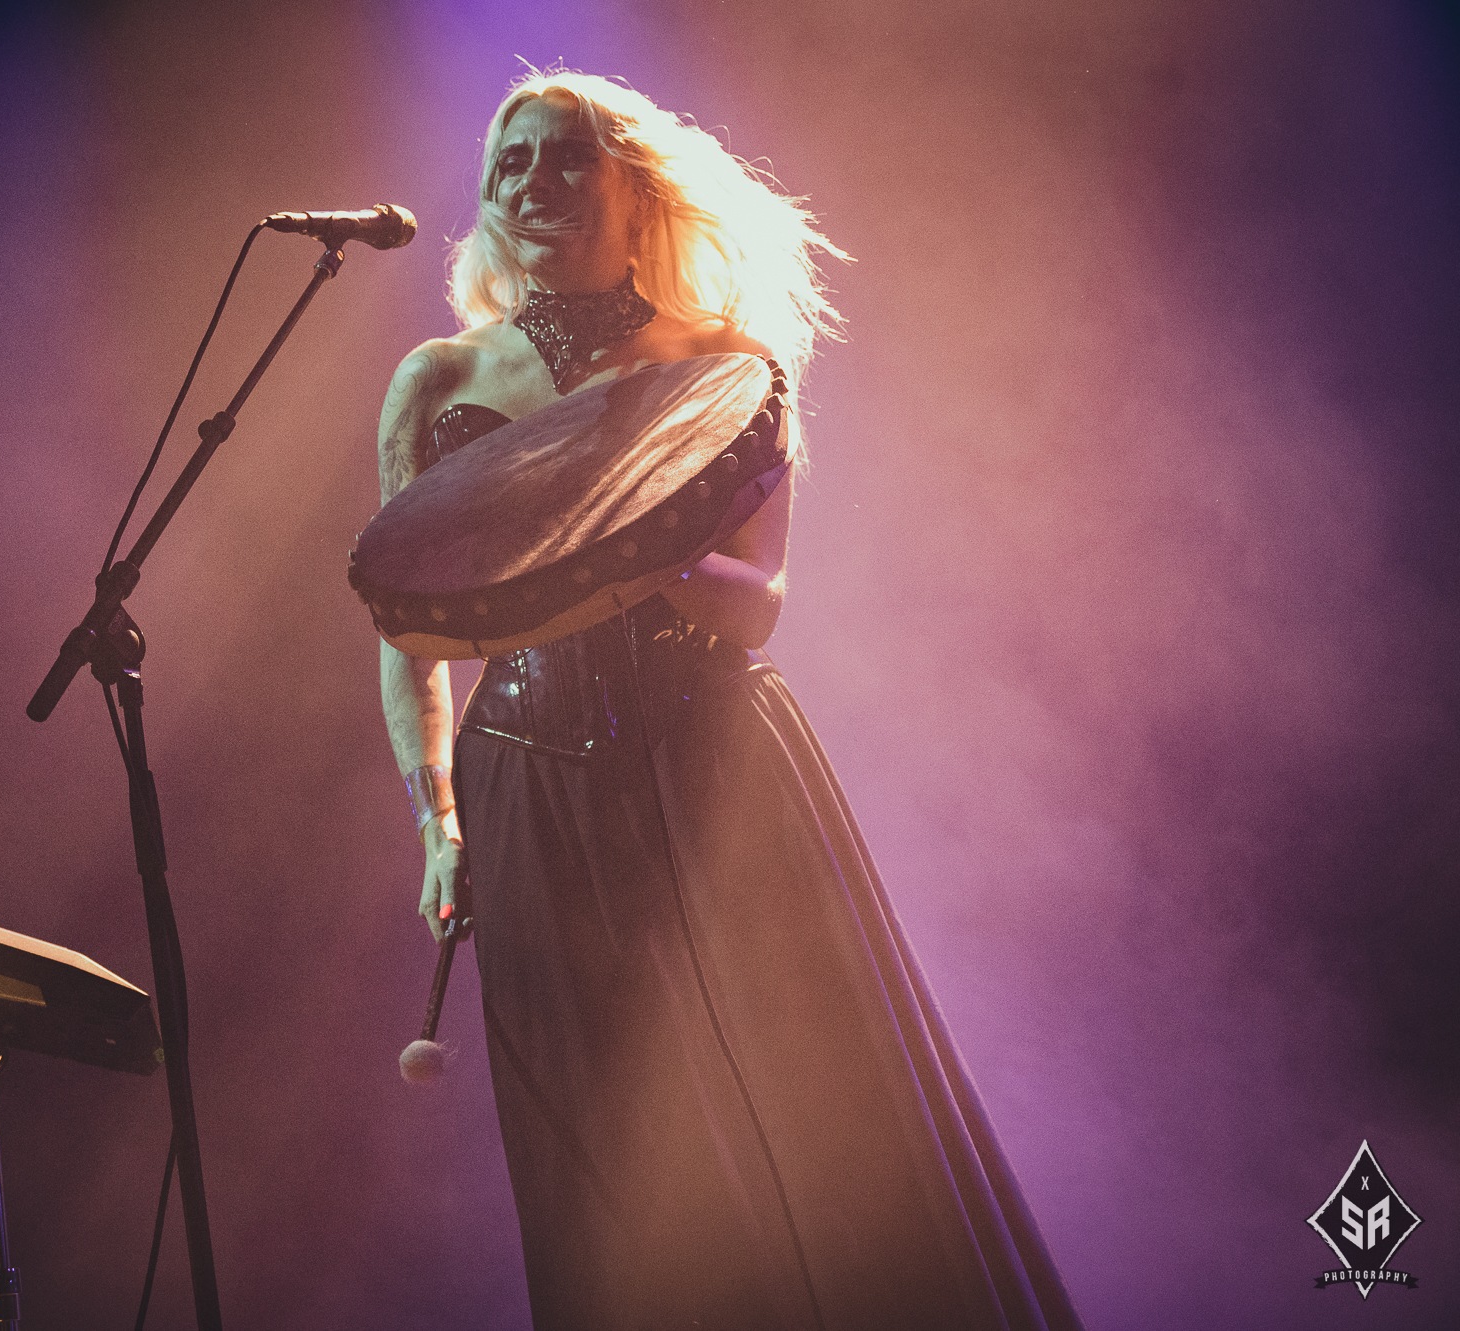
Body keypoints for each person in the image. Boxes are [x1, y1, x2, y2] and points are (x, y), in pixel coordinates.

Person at [375, 70, 1083, 1330]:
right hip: (522, 778)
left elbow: (756, 604)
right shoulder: (434, 381)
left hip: (709, 760)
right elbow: (405, 630)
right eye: (507, 163)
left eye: (565, 155)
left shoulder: (724, 365)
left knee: (811, 1101)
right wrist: (438, 819)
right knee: (593, 1143)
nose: (531, 182)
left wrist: (605, 534)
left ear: (633, 186)